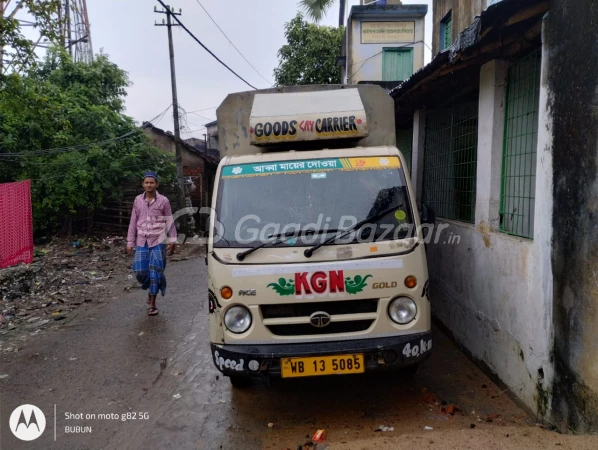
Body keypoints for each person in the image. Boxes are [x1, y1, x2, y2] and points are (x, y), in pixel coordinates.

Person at [127, 171, 177, 316]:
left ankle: (153, 302)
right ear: (143, 184)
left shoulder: (163, 201)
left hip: (159, 241)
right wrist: (130, 241)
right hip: (142, 240)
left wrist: (173, 240)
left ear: (157, 184)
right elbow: (133, 221)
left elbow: (169, 220)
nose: (149, 185)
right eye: (146, 182)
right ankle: (155, 283)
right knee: (140, 271)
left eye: (152, 182)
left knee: (155, 271)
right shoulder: (137, 200)